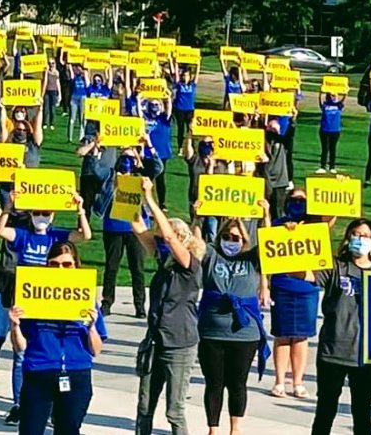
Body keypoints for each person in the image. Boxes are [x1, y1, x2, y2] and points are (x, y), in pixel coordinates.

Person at [0, 190, 92, 425]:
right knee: (20, 353)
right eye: (37, 213)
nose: (41, 216)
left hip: (54, 299)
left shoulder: (57, 236)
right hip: (27, 297)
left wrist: (80, 208)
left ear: (53, 215)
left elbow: (85, 235)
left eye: (46, 213)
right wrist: (8, 207)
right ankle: (19, 403)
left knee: (47, 351)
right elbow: (0, 231)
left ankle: (52, 406)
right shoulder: (24, 236)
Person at [9, 241, 107, 435]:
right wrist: (15, 325)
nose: (60, 268)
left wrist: (92, 326)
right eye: (54, 264)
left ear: (76, 266)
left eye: (67, 264)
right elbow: (20, 347)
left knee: (68, 430)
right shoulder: (33, 297)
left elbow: (96, 350)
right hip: (39, 371)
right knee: (30, 430)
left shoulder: (86, 301)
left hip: (76, 372)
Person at [131, 177, 202, 435]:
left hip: (179, 345)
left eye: (165, 238)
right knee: (144, 406)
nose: (161, 242)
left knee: (174, 410)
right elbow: (138, 227)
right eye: (159, 239)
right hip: (155, 341)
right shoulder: (163, 262)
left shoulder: (190, 265)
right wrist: (129, 194)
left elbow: (171, 238)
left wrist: (151, 198)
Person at [190, 215, 269, 435]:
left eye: (235, 237)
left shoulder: (252, 258)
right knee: (214, 383)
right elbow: (193, 243)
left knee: (237, 383)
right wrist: (198, 218)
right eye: (226, 236)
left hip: (244, 333)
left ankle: (236, 429)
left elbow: (269, 243)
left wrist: (267, 217)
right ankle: (213, 429)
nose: (230, 240)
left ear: (243, 239)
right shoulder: (212, 255)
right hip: (212, 331)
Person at [309, 218, 371, 434]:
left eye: (365, 235)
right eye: (355, 234)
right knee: (325, 409)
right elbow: (305, 275)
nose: (360, 239)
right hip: (332, 351)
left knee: (362, 412)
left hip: (364, 356)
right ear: (348, 238)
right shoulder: (336, 267)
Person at [267, 192, 325, 400]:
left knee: (301, 336)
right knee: (282, 335)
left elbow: (332, 218)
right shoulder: (278, 223)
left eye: (302, 200)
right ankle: (279, 381)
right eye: (294, 200)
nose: (298, 203)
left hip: (307, 287)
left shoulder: (316, 226)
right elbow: (267, 251)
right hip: (282, 285)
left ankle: (298, 382)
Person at [101, 155, 148, 318]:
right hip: (113, 228)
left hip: (135, 229)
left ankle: (140, 305)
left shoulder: (141, 180)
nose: (125, 164)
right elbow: (100, 203)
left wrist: (139, 155)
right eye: (123, 160)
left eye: (130, 160)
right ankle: (106, 302)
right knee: (111, 267)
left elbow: (157, 167)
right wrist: (114, 184)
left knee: (137, 269)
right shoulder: (110, 181)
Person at [317, 91, 345, 173]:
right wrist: (321, 93)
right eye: (331, 95)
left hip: (335, 130)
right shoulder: (325, 105)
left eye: (334, 96)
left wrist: (344, 93)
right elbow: (320, 100)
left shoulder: (338, 105)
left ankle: (332, 167)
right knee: (325, 149)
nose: (333, 97)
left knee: (333, 149)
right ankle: (323, 166)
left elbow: (343, 100)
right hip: (324, 130)